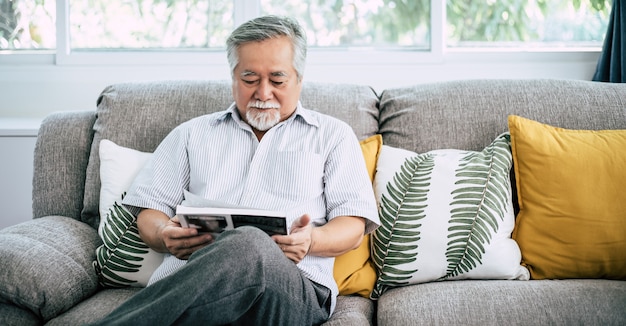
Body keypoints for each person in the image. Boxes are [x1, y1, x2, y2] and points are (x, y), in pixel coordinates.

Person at [92, 15, 379, 326]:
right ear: (233, 77)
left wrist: (312, 239)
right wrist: (164, 234)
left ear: (299, 78)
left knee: (250, 243)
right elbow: (149, 210)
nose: (263, 93)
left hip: (292, 289)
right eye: (250, 79)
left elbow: (352, 225)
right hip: (191, 282)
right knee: (245, 247)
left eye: (278, 80)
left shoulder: (333, 135)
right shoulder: (191, 134)